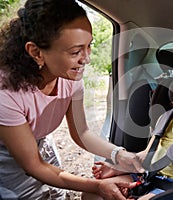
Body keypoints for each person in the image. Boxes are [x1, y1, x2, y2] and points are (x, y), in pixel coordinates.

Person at [0, 0, 143, 199]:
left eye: (89, 46)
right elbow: (33, 165)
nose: (87, 59)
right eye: (75, 52)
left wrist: (120, 155)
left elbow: (82, 133)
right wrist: (97, 186)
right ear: (36, 52)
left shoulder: (70, 77)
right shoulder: (6, 93)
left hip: (40, 150)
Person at [91, 60, 173, 200]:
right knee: (93, 194)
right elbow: (145, 156)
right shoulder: (165, 119)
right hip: (150, 178)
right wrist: (116, 168)